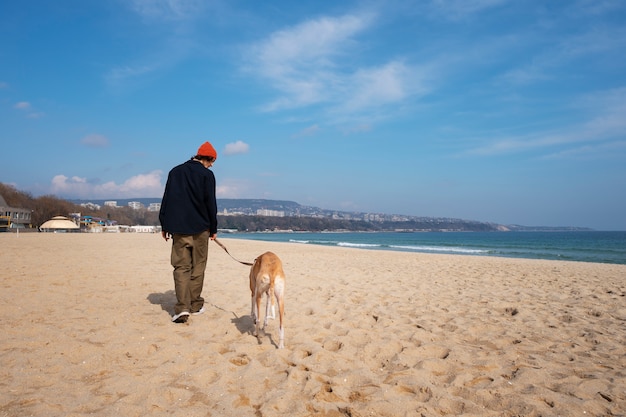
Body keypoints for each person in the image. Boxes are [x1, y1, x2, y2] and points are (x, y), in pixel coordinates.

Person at [159, 141, 218, 323]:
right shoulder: (207, 175)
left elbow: (167, 200)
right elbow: (211, 204)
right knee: (198, 266)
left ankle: (182, 308)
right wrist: (213, 229)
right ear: (207, 158)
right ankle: (195, 305)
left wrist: (164, 225)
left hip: (178, 229)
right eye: (212, 161)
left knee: (181, 267)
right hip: (201, 229)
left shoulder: (175, 172)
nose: (212, 165)